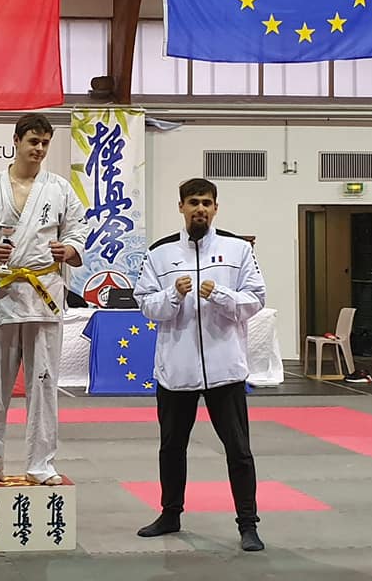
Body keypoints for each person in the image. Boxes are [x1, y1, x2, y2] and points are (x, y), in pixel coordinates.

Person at [133, 177, 266, 552]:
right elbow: (146, 305)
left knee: (239, 451)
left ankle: (248, 523)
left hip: (225, 369)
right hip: (177, 370)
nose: (200, 209)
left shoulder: (238, 250)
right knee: (171, 448)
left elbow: (255, 300)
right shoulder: (160, 254)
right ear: (181, 207)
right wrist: (172, 295)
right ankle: (170, 513)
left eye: (207, 203)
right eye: (193, 202)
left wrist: (221, 294)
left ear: (216, 208)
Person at [0, 113, 87, 486]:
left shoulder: (59, 189)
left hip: (43, 293)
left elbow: (78, 230)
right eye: (33, 141)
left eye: (45, 143)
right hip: (1, 291)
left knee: (44, 383)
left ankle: (41, 463)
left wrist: (69, 249)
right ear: (15, 140)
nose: (39, 149)